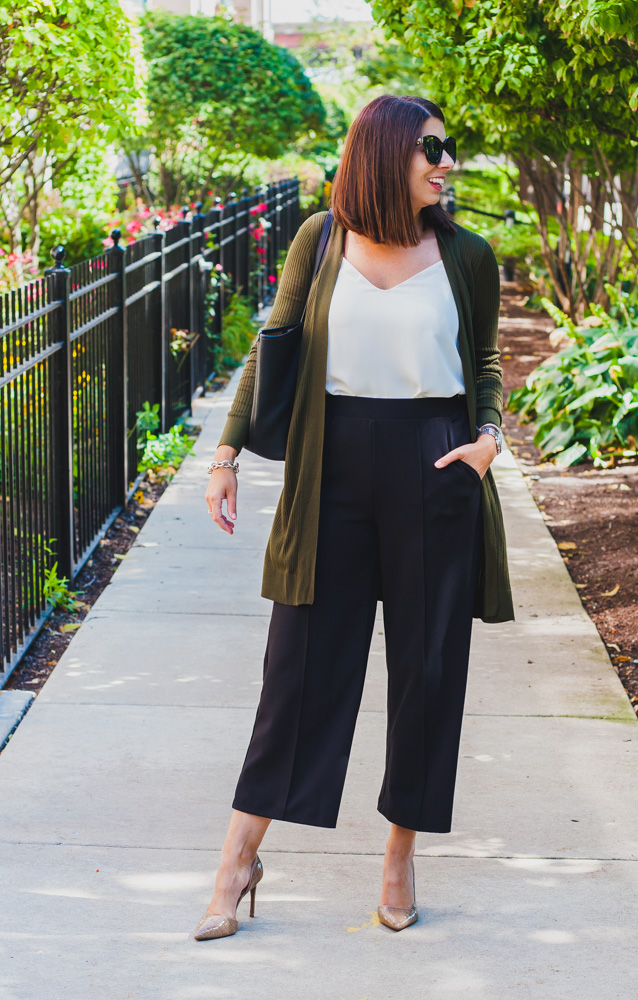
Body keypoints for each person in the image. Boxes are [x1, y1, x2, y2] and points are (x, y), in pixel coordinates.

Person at [196, 94, 514, 940]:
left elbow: (483, 361)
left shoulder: (466, 255)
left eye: (448, 149)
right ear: (382, 156)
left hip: (435, 462)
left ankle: (399, 853)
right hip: (330, 470)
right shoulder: (319, 239)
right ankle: (237, 857)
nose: (447, 163)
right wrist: (223, 457)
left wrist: (487, 440)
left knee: (426, 674)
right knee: (298, 672)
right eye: (431, 150)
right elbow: (274, 347)